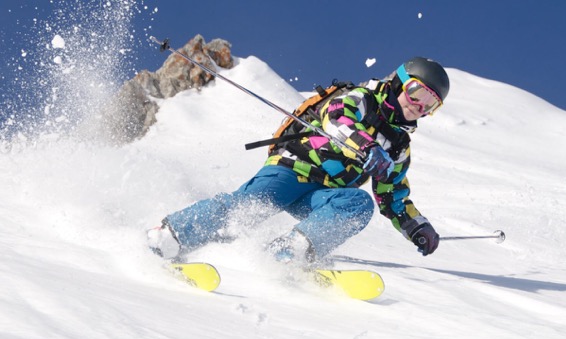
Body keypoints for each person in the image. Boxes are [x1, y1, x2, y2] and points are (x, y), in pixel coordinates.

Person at [147, 57, 450, 264]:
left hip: (323, 195)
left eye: (430, 105)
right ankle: (172, 235)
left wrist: (416, 227)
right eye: (416, 93)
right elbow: (337, 121)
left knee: (359, 204)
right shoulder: (360, 99)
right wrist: (367, 146)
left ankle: (288, 253)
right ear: (399, 82)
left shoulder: (398, 146)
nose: (418, 107)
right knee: (249, 206)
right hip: (293, 169)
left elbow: (393, 193)